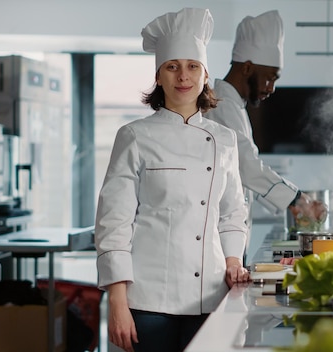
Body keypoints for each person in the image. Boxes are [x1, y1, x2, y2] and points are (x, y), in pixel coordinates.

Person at [94, 8, 250, 352]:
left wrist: (234, 261)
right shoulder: (134, 136)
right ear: (159, 77)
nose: (183, 76)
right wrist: (117, 303)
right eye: (172, 66)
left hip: (210, 295)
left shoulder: (225, 139)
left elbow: (232, 212)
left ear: (205, 75)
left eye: (193, 66)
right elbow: (113, 223)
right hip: (149, 301)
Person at [204, 10, 327, 244]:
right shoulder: (221, 104)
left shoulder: (235, 106)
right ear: (248, 67)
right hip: (218, 237)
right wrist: (299, 200)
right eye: (270, 77)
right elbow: (247, 166)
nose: (271, 88)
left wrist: (291, 204)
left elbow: (244, 175)